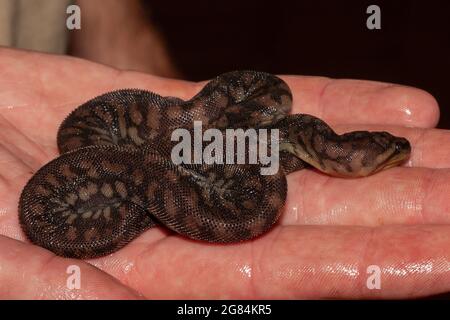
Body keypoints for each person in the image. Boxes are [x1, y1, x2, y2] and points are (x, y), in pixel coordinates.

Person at [0, 47, 448, 299]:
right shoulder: (272, 125)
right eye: (387, 152)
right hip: (87, 159)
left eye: (387, 151)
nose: (395, 155)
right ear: (339, 158)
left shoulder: (270, 145)